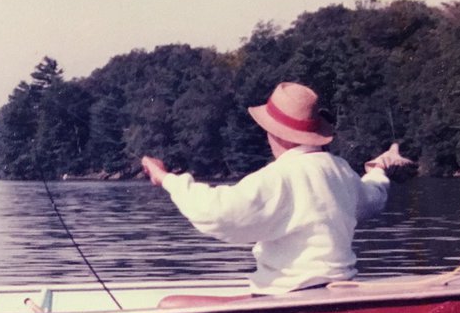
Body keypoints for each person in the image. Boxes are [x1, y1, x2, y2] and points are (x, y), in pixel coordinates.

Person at [140, 82, 413, 294]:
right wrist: (378, 169)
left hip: (289, 298)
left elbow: (216, 212)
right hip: (339, 292)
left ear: (274, 133)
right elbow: (372, 199)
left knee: (169, 303)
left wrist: (165, 178)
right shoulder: (339, 168)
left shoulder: (278, 177)